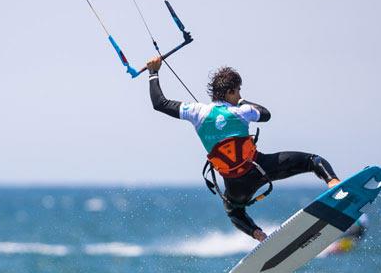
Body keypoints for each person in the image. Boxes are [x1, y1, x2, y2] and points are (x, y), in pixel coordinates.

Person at [146, 56, 341, 242]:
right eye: (238, 91)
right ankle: (333, 183)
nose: (240, 95)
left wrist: (153, 73)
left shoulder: (197, 112)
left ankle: (258, 234)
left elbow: (159, 103)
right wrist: (240, 101)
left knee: (234, 211)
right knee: (312, 161)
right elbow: (266, 114)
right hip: (259, 168)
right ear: (230, 92)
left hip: (235, 184)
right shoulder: (242, 111)